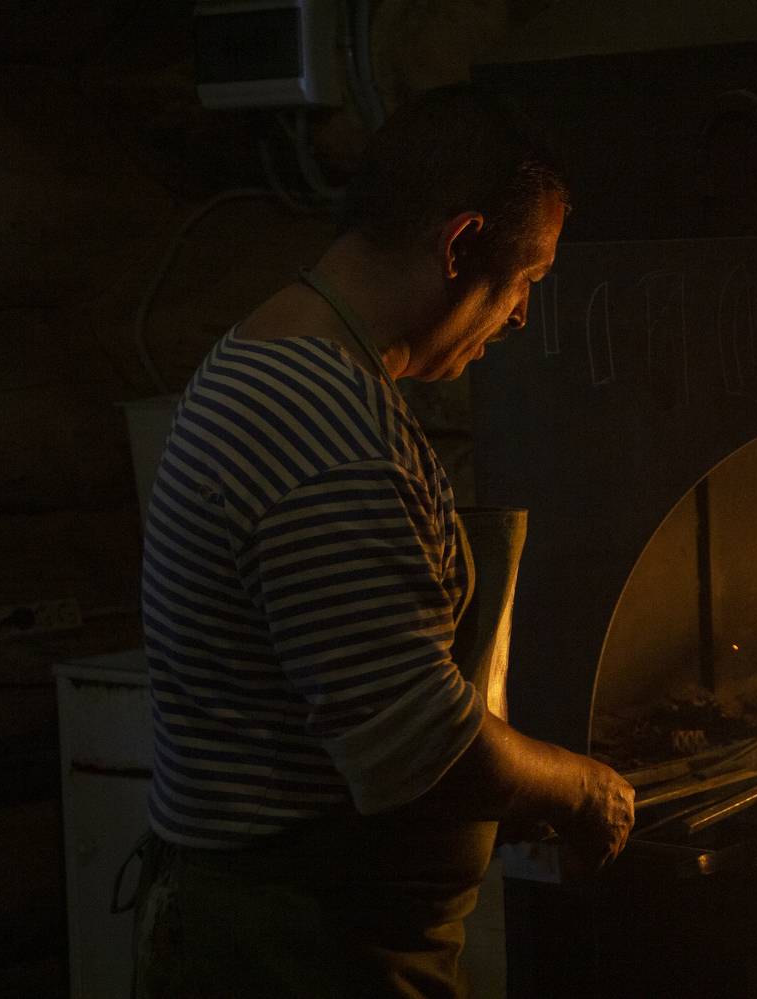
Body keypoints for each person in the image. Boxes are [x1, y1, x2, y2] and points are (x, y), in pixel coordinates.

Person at [131, 84, 634, 998]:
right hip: (301, 955)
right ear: (460, 246)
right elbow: (419, 750)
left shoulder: (267, 357)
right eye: (527, 279)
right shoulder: (330, 438)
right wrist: (576, 789)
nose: (522, 314)